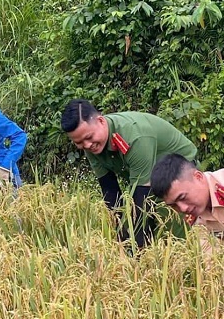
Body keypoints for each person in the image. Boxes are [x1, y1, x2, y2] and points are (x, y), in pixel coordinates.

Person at [61, 99, 197, 248]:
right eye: (78, 142)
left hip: (179, 171)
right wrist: (121, 234)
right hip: (148, 177)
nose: (86, 145)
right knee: (131, 231)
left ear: (100, 121)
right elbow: (110, 190)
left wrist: (138, 250)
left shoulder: (135, 136)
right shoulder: (92, 146)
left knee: (170, 227)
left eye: (88, 137)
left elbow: (142, 199)